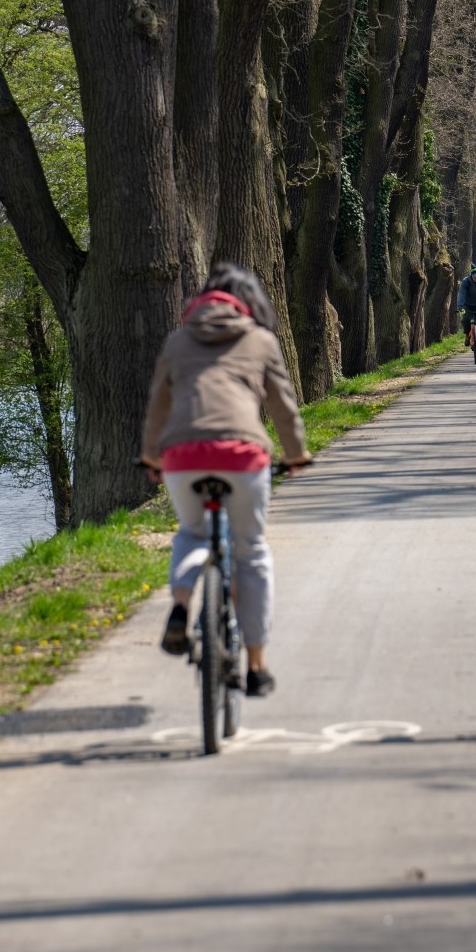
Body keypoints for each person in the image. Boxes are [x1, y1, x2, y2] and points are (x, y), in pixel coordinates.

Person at [140, 263, 311, 698]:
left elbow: (158, 406)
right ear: (249, 304)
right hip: (242, 455)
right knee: (251, 552)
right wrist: (296, 455)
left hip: (182, 457)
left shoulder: (177, 342)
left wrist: (151, 457)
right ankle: (256, 666)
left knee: (192, 534)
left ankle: (180, 608)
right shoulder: (260, 340)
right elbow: (283, 407)